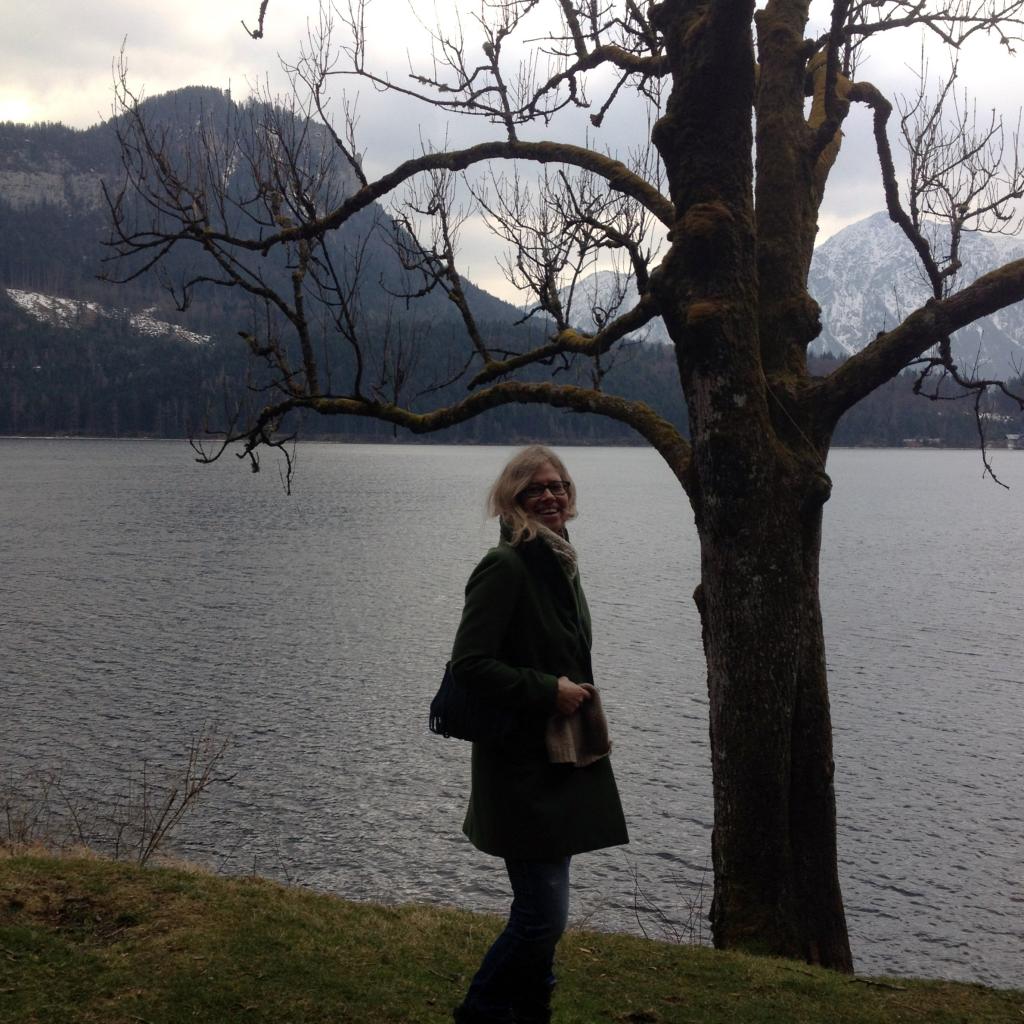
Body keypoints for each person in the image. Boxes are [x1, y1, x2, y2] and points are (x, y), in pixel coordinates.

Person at [450, 445, 628, 1024]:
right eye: (538, 489)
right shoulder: (507, 566)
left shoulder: (558, 558)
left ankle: (531, 1011)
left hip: (557, 758)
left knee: (543, 906)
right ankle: (481, 1011)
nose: (553, 496)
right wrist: (548, 690)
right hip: (521, 767)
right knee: (541, 916)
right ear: (513, 498)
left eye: (560, 486)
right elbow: (470, 665)